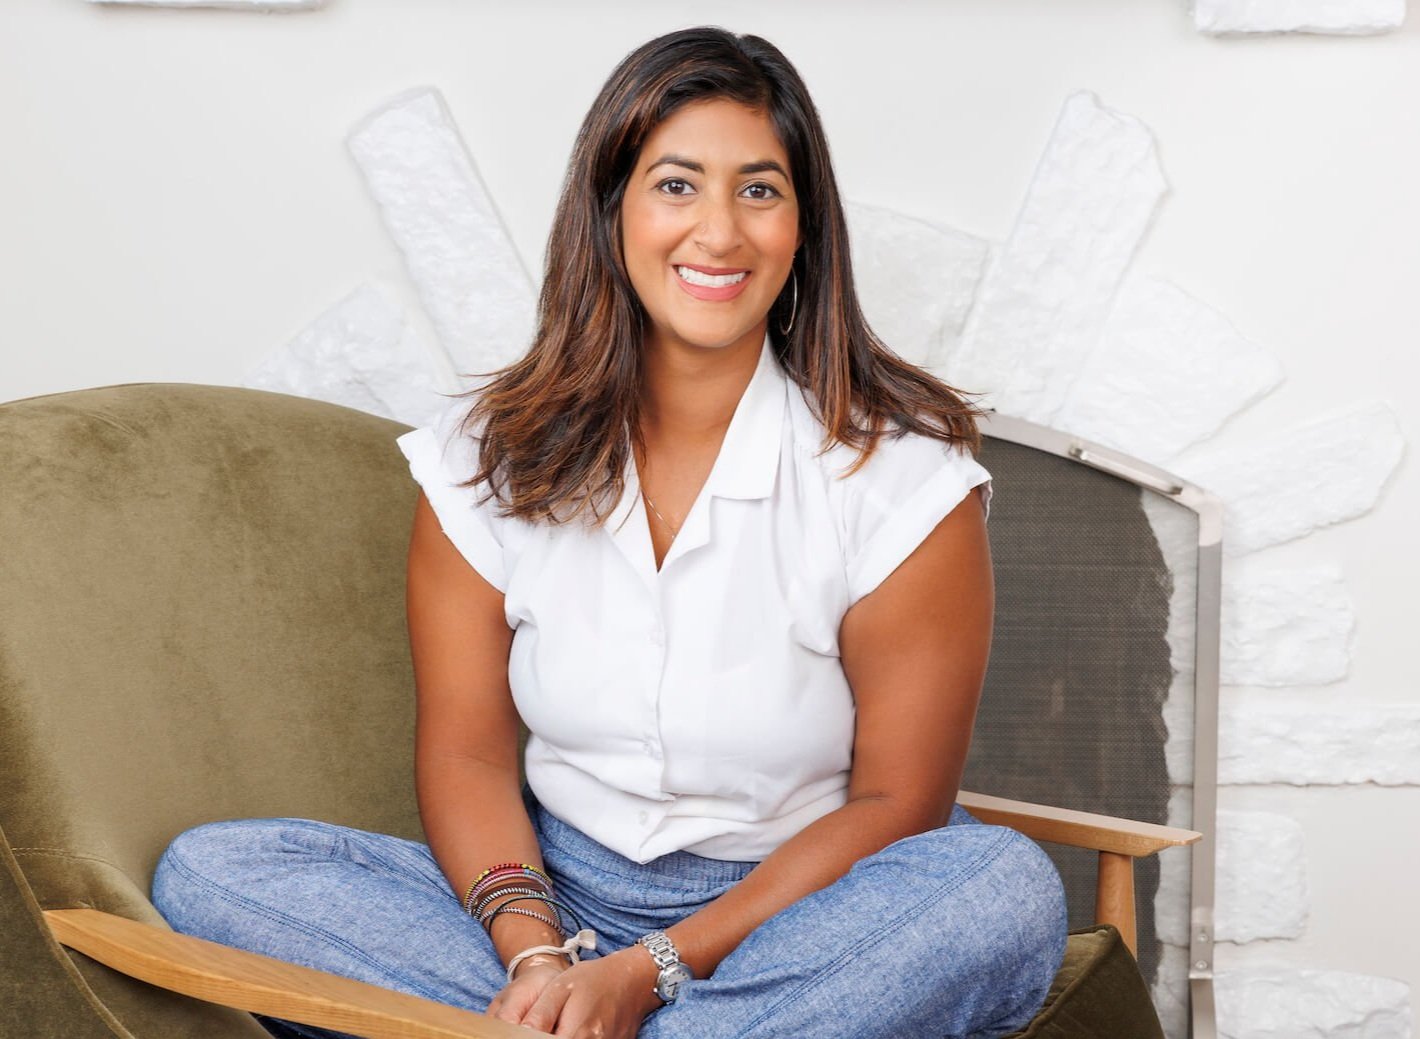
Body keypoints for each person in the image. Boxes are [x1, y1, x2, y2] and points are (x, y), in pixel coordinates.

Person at [152, 26, 1066, 1039]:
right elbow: (466, 759)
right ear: (610, 210)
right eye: (677, 184)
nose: (717, 232)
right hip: (551, 905)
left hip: (800, 922)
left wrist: (646, 974)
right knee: (214, 872)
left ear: (803, 227)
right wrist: (540, 957)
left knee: (997, 887)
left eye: (758, 190)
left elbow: (899, 803)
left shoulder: (899, 479)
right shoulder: (480, 457)